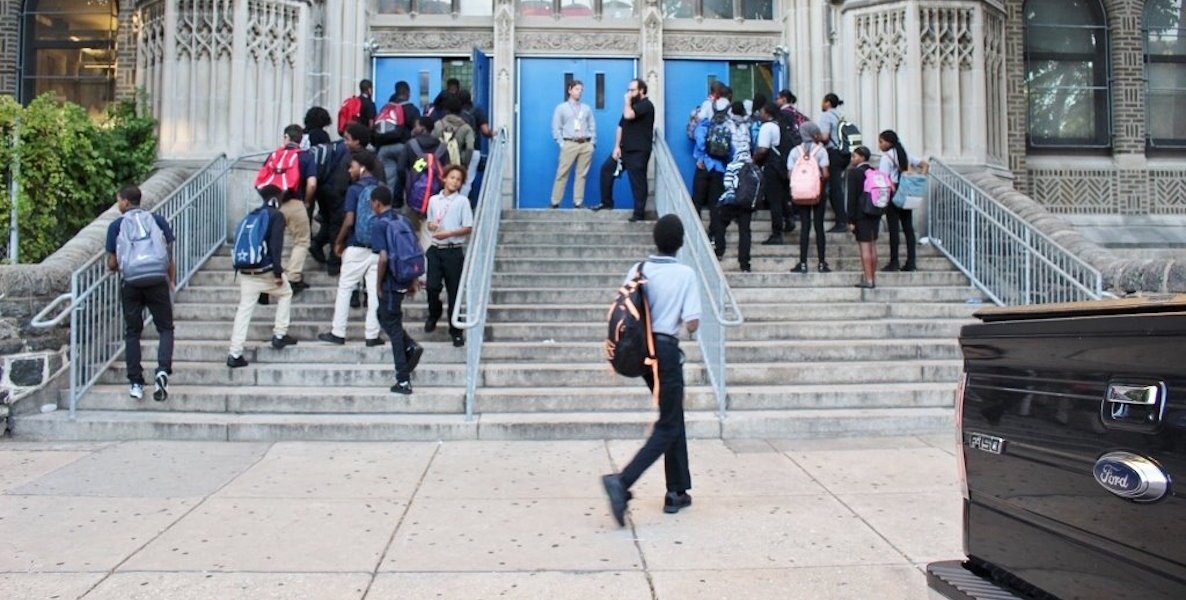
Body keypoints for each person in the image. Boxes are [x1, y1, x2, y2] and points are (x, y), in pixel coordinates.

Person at [602, 215, 702, 527]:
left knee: (673, 417)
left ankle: (677, 491)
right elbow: (692, 322)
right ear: (681, 242)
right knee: (668, 424)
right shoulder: (685, 274)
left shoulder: (639, 269)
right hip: (667, 351)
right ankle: (622, 481)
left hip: (642, 352)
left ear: (656, 240)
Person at [105, 185, 175, 401]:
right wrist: (171, 280)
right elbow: (168, 253)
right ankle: (162, 370)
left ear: (126, 202)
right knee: (165, 328)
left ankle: (136, 381)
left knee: (133, 332)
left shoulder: (117, 225)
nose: (118, 204)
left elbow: (112, 262)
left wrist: (116, 267)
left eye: (118, 200)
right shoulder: (157, 220)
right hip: (157, 280)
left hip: (131, 283)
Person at [318, 150, 385, 346]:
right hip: (377, 249)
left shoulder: (354, 190)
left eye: (352, 166)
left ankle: (338, 332)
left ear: (362, 168)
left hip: (356, 246)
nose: (349, 170)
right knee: (374, 292)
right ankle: (372, 335)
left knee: (345, 288)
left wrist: (338, 242)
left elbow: (349, 220)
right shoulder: (381, 188)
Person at [226, 187, 298, 368]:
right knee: (286, 293)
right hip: (265, 270)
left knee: (244, 310)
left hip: (246, 272)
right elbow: (276, 245)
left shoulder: (252, 215)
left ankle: (234, 353)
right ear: (276, 198)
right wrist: (278, 271)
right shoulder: (276, 216)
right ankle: (280, 334)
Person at [370, 185, 425, 395]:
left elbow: (383, 258)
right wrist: (413, 279)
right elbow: (413, 249)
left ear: (376, 203)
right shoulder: (403, 220)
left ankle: (403, 380)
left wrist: (377, 284)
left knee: (392, 328)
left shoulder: (379, 224)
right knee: (382, 316)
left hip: (390, 283)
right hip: (404, 277)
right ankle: (410, 346)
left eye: (372, 203)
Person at [310, 122, 370, 277]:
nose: (345, 142)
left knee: (330, 223)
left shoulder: (346, 153)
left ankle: (318, 244)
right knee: (337, 224)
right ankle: (334, 262)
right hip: (339, 194)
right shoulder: (356, 156)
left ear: (357, 141)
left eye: (348, 139)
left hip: (326, 190)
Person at [424, 165, 474, 347]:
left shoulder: (462, 202)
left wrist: (449, 233)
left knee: (454, 292)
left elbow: (468, 227)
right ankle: (434, 311)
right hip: (436, 249)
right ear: (444, 178)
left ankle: (456, 330)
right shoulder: (433, 200)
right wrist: (432, 227)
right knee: (431, 286)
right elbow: (430, 221)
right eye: (451, 177)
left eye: (458, 179)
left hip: (453, 249)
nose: (454, 182)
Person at [592, 78, 654, 222]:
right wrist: (616, 146)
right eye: (628, 90)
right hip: (624, 150)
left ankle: (639, 214)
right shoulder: (631, 105)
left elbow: (628, 115)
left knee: (637, 182)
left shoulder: (646, 105)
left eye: (632, 90)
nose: (629, 93)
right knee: (606, 170)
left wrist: (626, 102)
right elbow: (621, 126)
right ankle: (607, 203)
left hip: (639, 151)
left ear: (641, 91)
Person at [272, 124, 318, 295]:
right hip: (295, 202)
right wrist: (306, 201)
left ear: (286, 137)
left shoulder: (274, 155)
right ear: (301, 139)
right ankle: (293, 276)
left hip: (273, 204)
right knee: (301, 241)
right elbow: (312, 183)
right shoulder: (306, 157)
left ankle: (270, 275)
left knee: (273, 240)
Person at [878, 129, 929, 272]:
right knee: (908, 228)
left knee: (894, 230)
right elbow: (925, 165)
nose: (880, 145)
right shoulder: (905, 155)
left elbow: (883, 178)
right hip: (906, 193)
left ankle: (894, 262)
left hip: (893, 194)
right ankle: (911, 262)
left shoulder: (886, 158)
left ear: (888, 142)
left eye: (881, 142)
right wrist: (919, 177)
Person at [787, 121, 831, 273]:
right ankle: (821, 263)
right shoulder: (821, 151)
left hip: (801, 193)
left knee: (805, 227)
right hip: (817, 193)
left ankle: (803, 263)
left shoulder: (795, 151)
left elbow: (789, 174)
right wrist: (818, 184)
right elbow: (825, 174)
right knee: (819, 226)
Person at [550, 79, 596, 209]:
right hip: (569, 143)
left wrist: (592, 143)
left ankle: (578, 201)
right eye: (577, 89)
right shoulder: (561, 108)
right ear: (569, 90)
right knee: (562, 172)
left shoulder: (586, 108)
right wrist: (561, 143)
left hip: (585, 143)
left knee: (581, 174)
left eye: (581, 90)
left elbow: (592, 126)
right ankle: (555, 201)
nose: (579, 92)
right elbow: (556, 127)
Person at [691, 97, 730, 247]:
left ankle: (695, 233)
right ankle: (714, 236)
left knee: (697, 202)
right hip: (719, 170)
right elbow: (730, 150)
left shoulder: (703, 126)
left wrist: (703, 159)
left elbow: (700, 144)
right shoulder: (725, 128)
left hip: (703, 168)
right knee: (715, 205)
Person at [375, 81, 420, 201]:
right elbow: (417, 129)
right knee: (408, 176)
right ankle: (406, 204)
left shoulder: (387, 108)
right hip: (403, 148)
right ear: (408, 93)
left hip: (384, 149)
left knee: (388, 181)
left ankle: (388, 206)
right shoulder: (412, 109)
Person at [754, 103, 792, 244]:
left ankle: (777, 233)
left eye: (762, 111)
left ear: (768, 113)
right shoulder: (780, 126)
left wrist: (753, 160)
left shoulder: (767, 127)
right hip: (782, 167)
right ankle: (789, 219)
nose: (760, 114)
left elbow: (763, 149)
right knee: (781, 196)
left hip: (772, 167)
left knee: (774, 200)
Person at [846, 147, 881, 288]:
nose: (852, 159)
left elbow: (851, 198)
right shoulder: (873, 171)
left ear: (862, 157)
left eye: (854, 156)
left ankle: (868, 280)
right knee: (873, 247)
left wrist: (850, 219)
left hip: (861, 215)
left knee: (865, 248)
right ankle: (872, 277)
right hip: (874, 213)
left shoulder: (854, 173)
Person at [817, 93, 850, 232]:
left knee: (834, 188)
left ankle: (841, 221)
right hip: (844, 153)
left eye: (823, 101)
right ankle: (842, 219)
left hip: (834, 153)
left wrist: (815, 137)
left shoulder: (826, 116)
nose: (822, 104)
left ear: (828, 102)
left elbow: (825, 137)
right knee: (836, 186)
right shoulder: (841, 115)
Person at [432, 95, 476, 174]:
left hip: (439, 164)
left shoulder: (437, 125)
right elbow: (470, 148)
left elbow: (432, 143)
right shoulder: (466, 128)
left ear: (446, 110)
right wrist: (465, 164)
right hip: (457, 166)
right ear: (460, 111)